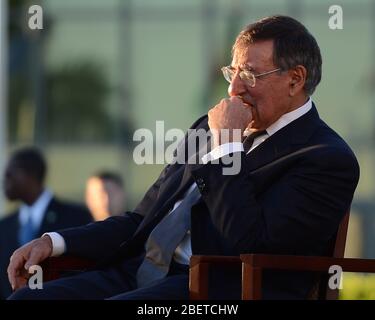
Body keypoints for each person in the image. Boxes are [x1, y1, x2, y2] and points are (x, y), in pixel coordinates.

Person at [7, 15, 359, 300]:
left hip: (212, 290)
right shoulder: (207, 129)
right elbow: (140, 220)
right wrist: (54, 242)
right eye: (232, 74)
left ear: (295, 79)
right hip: (140, 272)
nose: (234, 89)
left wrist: (226, 149)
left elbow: (251, 244)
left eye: (250, 75)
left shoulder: (324, 158)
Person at [0, 147, 93, 299]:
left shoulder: (76, 218)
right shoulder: (3, 227)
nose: (5, 178)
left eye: (11, 173)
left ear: (31, 175)